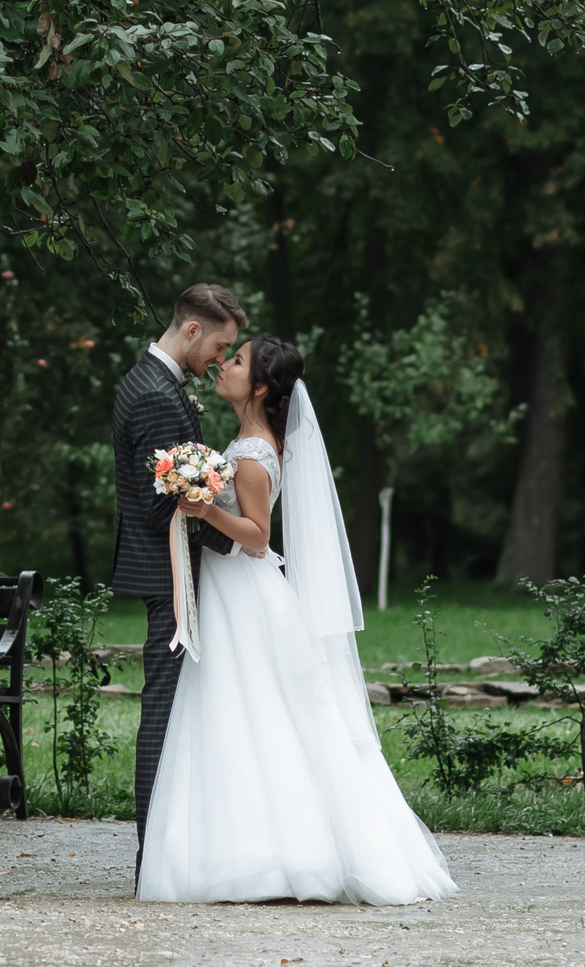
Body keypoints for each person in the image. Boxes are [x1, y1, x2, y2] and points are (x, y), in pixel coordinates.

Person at [137, 335, 458, 905]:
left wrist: (203, 506)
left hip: (245, 591)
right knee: (242, 713)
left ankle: (282, 856)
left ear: (259, 387)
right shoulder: (244, 444)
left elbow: (258, 538)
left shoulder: (252, 455)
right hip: (232, 591)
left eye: (236, 361)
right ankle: (249, 852)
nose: (225, 365)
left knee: (253, 710)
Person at [109, 283, 245, 879]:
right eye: (221, 345)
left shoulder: (153, 382)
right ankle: (154, 861)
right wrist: (240, 542)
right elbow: (165, 505)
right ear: (193, 330)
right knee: (164, 712)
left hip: (169, 571)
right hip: (170, 576)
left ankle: (171, 853)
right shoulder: (157, 395)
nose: (220, 358)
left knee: (179, 709)